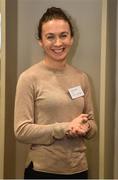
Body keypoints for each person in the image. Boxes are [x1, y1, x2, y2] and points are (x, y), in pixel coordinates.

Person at [14, 7, 97, 179]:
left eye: (63, 35)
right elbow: (21, 130)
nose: (58, 43)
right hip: (42, 171)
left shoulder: (82, 78)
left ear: (71, 38)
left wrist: (85, 127)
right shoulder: (29, 78)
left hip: (79, 170)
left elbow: (93, 126)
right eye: (50, 37)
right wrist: (66, 128)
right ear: (41, 42)